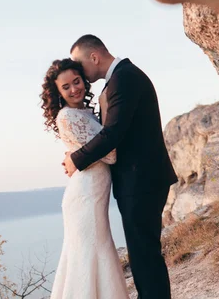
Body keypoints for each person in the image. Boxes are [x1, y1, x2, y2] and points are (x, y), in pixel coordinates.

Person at [62, 35, 178, 299]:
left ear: (94, 57)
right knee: (143, 256)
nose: (80, 72)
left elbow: (113, 133)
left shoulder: (124, 78)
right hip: (139, 181)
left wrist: (76, 159)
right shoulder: (120, 79)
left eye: (80, 65)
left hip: (141, 181)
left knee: (144, 257)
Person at [41, 58, 128, 299]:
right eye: (66, 87)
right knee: (89, 256)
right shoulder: (69, 116)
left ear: (83, 80)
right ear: (58, 93)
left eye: (76, 81)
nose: (74, 89)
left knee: (92, 254)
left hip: (92, 194)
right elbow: (110, 154)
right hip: (85, 198)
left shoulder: (84, 113)